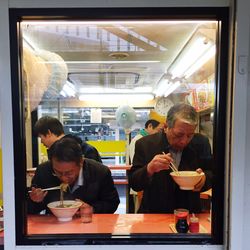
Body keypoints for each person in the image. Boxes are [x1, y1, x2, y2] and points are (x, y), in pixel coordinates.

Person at [129, 103, 213, 213]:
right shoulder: (145, 144)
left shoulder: (201, 143)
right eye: (179, 135)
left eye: (190, 135)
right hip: (154, 213)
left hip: (190, 212)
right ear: (166, 127)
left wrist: (204, 179)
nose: (184, 141)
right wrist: (149, 169)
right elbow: (134, 183)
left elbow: (212, 173)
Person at [28, 137, 120, 214]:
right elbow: (29, 209)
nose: (63, 177)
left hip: (89, 225)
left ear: (81, 162)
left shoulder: (99, 172)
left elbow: (112, 203)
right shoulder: (44, 171)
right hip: (53, 227)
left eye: (69, 173)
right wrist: (35, 201)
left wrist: (92, 209)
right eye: (58, 172)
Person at [128, 119, 163, 213]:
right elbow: (135, 164)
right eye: (159, 130)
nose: (160, 133)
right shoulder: (139, 140)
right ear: (150, 126)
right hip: (141, 184)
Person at [33, 116, 102, 162]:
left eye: (40, 137)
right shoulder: (87, 148)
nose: (41, 142)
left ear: (48, 133)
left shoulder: (86, 151)